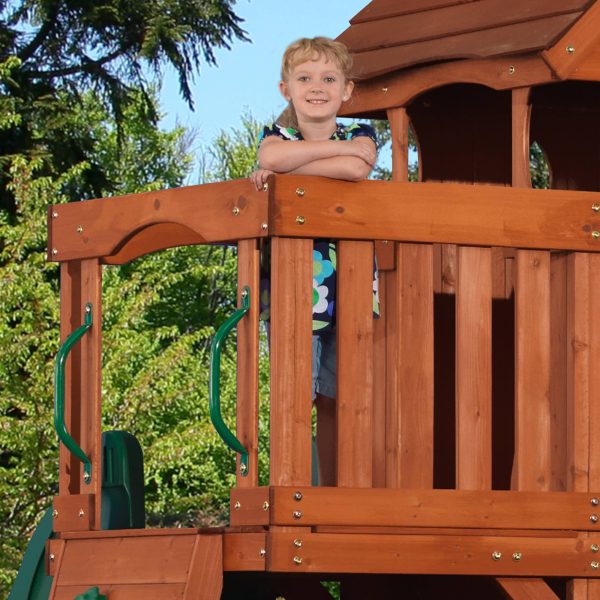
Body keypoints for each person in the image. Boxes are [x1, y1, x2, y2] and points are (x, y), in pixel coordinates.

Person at [251, 37, 378, 486]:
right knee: (295, 391)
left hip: (352, 290)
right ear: (286, 89)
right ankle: (292, 486)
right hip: (292, 291)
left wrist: (290, 172)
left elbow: (358, 168)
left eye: (328, 78)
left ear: (347, 91)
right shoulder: (278, 136)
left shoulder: (360, 135)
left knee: (338, 396)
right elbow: (271, 156)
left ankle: (331, 490)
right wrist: (325, 158)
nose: (317, 87)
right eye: (305, 78)